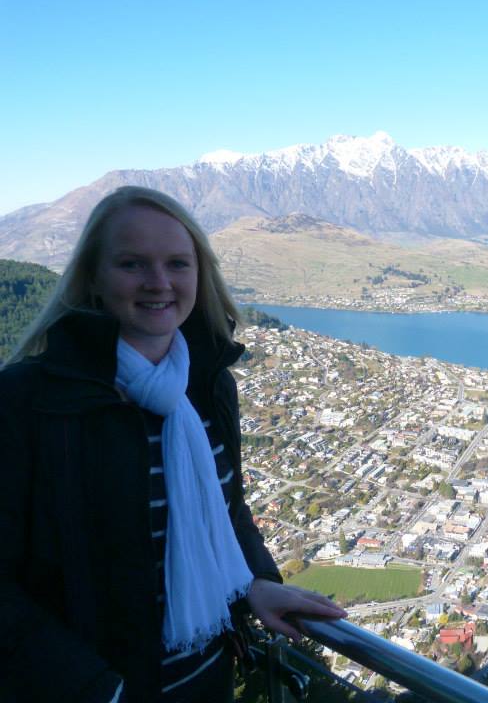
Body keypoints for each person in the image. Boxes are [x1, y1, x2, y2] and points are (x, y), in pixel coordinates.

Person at [0, 186, 346, 702]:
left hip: (208, 680)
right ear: (94, 277)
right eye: (132, 264)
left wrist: (255, 582)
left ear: (199, 275)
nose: (159, 283)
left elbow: (228, 514)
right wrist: (91, 687)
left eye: (178, 264)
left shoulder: (209, 385)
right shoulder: (28, 400)